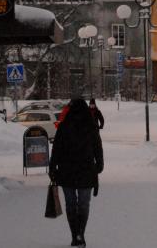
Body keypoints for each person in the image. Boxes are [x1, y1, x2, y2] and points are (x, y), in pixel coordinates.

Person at [50, 98, 104, 247]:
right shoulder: (91, 127)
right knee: (84, 204)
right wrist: (99, 166)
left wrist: (53, 167)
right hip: (86, 171)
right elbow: (98, 149)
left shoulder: (64, 127)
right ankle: (80, 233)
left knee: (71, 204)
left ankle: (75, 234)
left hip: (67, 171)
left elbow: (56, 150)